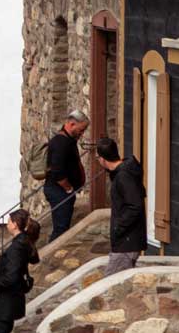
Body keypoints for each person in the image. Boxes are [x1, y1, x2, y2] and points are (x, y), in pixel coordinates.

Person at [98, 138, 145, 274]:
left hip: (126, 242)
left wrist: (118, 226)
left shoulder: (124, 176)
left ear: (102, 159)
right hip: (127, 240)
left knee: (110, 285)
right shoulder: (122, 173)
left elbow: (135, 205)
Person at [43, 112, 88, 240]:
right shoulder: (60, 142)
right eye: (81, 130)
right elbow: (57, 171)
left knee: (62, 227)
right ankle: (50, 257)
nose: (82, 133)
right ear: (72, 124)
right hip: (59, 191)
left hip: (62, 191)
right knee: (61, 230)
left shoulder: (68, 140)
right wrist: (69, 189)